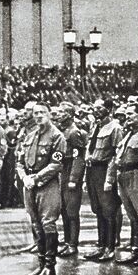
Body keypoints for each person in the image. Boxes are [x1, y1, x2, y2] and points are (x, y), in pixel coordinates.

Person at [17, 103, 67, 275]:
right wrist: (24, 177)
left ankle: (49, 266)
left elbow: (56, 164)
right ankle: (40, 264)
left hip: (47, 185)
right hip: (29, 184)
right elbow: (20, 161)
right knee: (35, 224)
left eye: (42, 112)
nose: (38, 116)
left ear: (49, 114)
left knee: (48, 223)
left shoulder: (57, 136)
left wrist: (36, 178)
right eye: (35, 113)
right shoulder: (29, 136)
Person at [108, 101, 138, 266]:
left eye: (130, 114)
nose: (126, 117)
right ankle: (135, 249)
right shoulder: (128, 133)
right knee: (132, 216)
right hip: (124, 176)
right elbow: (117, 157)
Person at [83, 100, 124, 261]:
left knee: (109, 210)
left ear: (109, 109)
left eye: (100, 108)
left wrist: (110, 178)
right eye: (95, 107)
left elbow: (115, 155)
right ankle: (101, 245)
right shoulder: (96, 126)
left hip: (104, 170)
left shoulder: (115, 128)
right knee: (98, 209)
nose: (96, 110)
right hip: (92, 170)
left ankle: (110, 247)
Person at [56, 102, 87, 258]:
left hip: (70, 171)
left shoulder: (74, 133)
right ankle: (67, 241)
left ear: (69, 114)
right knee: (63, 210)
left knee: (71, 211)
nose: (58, 114)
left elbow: (79, 157)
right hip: (62, 171)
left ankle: (73, 244)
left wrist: (74, 178)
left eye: (61, 112)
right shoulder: (62, 131)